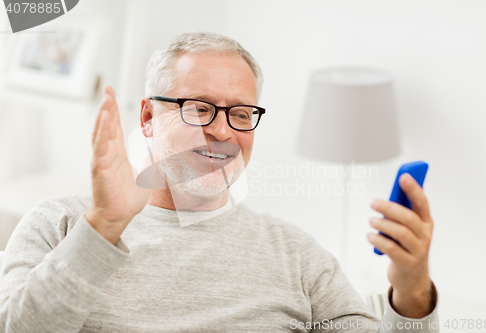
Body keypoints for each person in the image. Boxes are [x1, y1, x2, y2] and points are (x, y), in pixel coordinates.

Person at [0, 32, 439, 332]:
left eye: (241, 114)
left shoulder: (298, 256)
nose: (224, 132)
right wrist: (103, 227)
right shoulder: (58, 224)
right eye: (200, 108)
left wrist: (413, 287)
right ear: (149, 118)